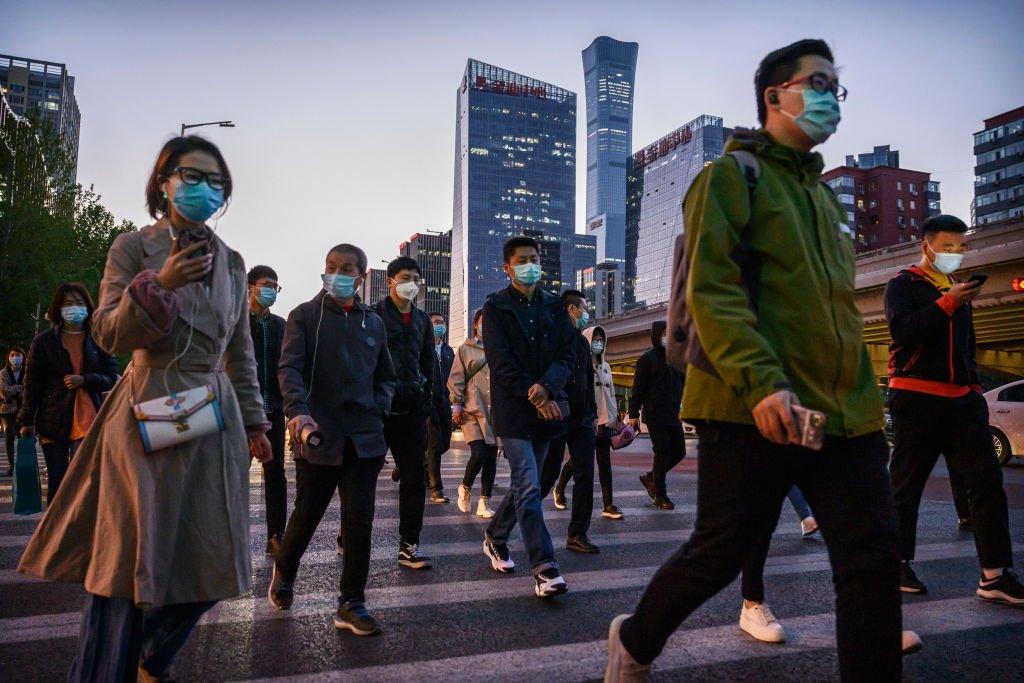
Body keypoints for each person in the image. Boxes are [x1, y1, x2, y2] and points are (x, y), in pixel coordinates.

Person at [605, 40, 915, 682]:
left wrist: (866, 397)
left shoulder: (827, 202)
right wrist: (763, 383)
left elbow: (836, 313)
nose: (831, 98)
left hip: (843, 418)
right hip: (753, 409)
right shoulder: (728, 178)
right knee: (722, 550)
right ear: (775, 96)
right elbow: (709, 289)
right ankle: (634, 641)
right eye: (818, 84)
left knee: (872, 562)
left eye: (837, 88)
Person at [18, 136, 273, 681]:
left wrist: (255, 420)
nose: (204, 188)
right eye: (191, 175)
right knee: (131, 563)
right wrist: (161, 283)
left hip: (212, 413)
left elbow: (240, 350)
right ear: (164, 181)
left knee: (215, 560)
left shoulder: (231, 262)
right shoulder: (131, 248)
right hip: (147, 409)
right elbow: (108, 332)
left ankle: (150, 655)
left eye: (216, 181)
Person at [885, 213, 1022, 604]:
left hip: (963, 400)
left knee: (987, 483)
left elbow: (966, 347)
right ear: (925, 246)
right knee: (906, 487)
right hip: (916, 397)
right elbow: (902, 333)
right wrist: (946, 303)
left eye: (960, 248)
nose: (955, 254)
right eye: (947, 247)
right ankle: (896, 564)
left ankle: (995, 576)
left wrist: (974, 387)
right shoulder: (903, 284)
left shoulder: (959, 291)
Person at [270, 243, 396, 637]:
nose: (337, 274)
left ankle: (351, 602)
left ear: (361, 276)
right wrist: (298, 412)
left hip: (365, 440)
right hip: (318, 437)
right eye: (330, 267)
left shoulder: (373, 323)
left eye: (346, 268)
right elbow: (288, 369)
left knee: (359, 521)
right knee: (307, 514)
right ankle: (286, 567)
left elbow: (386, 376)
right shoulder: (304, 316)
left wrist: (378, 406)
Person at [482, 236, 575, 598]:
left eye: (534, 259)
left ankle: (495, 535)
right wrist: (533, 393)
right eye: (522, 260)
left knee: (527, 485)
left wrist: (548, 387)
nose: (530, 265)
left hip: (547, 408)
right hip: (515, 412)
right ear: (507, 267)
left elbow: (568, 353)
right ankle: (544, 567)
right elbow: (500, 361)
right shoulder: (496, 308)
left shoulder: (554, 307)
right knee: (529, 483)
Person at [18, 283, 119, 503]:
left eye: (80, 303)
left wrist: (85, 379)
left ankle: (81, 530)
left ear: (89, 307)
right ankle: (56, 532)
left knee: (85, 479)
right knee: (58, 481)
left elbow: (111, 376)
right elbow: (32, 383)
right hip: (53, 420)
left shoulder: (99, 339)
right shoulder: (43, 342)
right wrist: (26, 420)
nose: (75, 308)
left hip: (89, 418)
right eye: (69, 304)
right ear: (59, 308)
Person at [373, 256, 437, 569]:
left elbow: (428, 363)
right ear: (390, 282)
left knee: (414, 478)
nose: (410, 283)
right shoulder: (372, 316)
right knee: (363, 479)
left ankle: (409, 545)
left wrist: (428, 402)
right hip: (377, 410)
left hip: (412, 409)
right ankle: (349, 533)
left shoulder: (423, 320)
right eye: (404, 277)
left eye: (415, 277)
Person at [538, 290, 599, 553]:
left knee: (585, 472)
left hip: (582, 418)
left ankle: (577, 533)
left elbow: (588, 381)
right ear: (570, 309)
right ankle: (506, 523)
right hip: (557, 415)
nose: (586, 314)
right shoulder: (552, 339)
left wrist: (593, 414)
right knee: (546, 475)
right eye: (583, 308)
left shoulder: (583, 343)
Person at [553, 324, 624, 521]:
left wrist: (615, 416)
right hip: (588, 420)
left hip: (606, 421)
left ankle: (608, 504)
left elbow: (610, 394)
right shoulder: (580, 366)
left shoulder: (606, 367)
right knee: (578, 461)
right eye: (595, 339)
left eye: (601, 340)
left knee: (604, 463)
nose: (598, 343)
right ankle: (559, 488)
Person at [248, 265, 288, 557]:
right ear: (250, 287)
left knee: (275, 473)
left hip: (272, 410)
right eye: (266, 285)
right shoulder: (234, 322)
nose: (271, 291)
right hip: (239, 413)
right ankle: (228, 536)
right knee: (232, 476)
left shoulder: (280, 326)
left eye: (275, 286)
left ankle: (276, 535)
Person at [627, 321, 684, 510]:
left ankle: (652, 477)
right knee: (663, 452)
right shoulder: (647, 359)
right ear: (656, 335)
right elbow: (637, 389)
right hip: (654, 415)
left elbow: (684, 384)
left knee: (679, 451)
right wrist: (633, 414)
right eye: (664, 333)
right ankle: (660, 495)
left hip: (673, 414)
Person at [450, 308, 497, 519]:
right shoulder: (465, 349)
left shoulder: (500, 349)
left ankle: (484, 502)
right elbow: (456, 378)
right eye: (483, 321)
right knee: (479, 453)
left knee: (491, 458)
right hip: (471, 410)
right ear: (476, 324)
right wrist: (456, 404)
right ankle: (465, 487)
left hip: (494, 413)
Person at [426, 311, 455, 503]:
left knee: (445, 443)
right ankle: (436, 487)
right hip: (428, 401)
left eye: (442, 322)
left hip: (446, 401)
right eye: (436, 322)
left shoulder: (448, 350)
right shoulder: (422, 347)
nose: (440, 325)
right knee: (435, 444)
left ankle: (412, 466)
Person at [1, 347, 27, 476]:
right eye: (12, 355)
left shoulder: (28, 372)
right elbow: (4, 389)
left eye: (18, 355)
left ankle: (23, 464)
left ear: (23, 357)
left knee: (22, 435)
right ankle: (12, 465)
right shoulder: (3, 372)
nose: (15, 357)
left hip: (23, 408)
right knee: (9, 435)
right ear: (8, 357)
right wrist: (19, 388)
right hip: (7, 409)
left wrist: (15, 390)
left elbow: (28, 390)